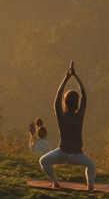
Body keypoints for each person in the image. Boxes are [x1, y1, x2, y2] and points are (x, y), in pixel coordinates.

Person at [38, 61, 96, 191]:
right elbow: (84, 96)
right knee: (92, 165)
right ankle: (90, 187)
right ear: (77, 103)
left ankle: (55, 182)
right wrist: (76, 77)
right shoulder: (79, 115)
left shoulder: (61, 115)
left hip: (62, 153)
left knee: (43, 161)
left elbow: (57, 98)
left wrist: (66, 77)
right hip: (77, 155)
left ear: (65, 102)